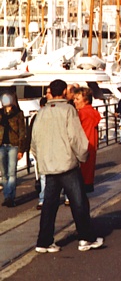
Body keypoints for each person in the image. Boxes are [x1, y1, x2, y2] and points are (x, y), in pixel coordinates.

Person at [31, 79, 103, 253]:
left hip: (49, 164)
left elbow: (34, 139)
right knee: (79, 201)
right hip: (67, 163)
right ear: (64, 92)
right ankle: (86, 237)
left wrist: (40, 158)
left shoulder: (42, 112)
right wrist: (83, 155)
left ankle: (44, 241)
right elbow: (75, 137)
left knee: (49, 204)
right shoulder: (68, 110)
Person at [0, 92, 26, 207]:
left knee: (11, 172)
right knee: (4, 173)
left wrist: (21, 149)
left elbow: (22, 132)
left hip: (13, 145)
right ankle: (7, 196)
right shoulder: (0, 113)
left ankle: (10, 196)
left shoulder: (18, 114)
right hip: (1, 145)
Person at [73, 87, 102, 193]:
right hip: (91, 146)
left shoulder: (81, 113)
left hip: (82, 147)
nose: (74, 101)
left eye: (77, 99)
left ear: (85, 100)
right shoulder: (92, 112)